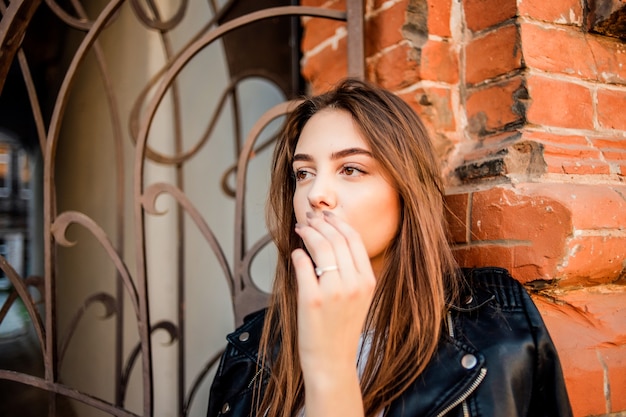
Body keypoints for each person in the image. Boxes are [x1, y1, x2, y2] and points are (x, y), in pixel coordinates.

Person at [206, 78, 572, 417]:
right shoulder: (251, 348)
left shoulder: (497, 324)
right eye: (303, 173)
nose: (315, 195)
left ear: (405, 190)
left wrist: (331, 365)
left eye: (350, 169)